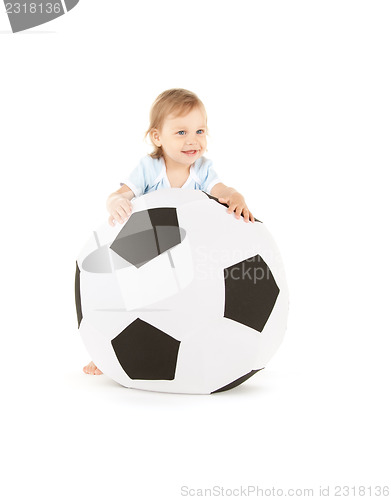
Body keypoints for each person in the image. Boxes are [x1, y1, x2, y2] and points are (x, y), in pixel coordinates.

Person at [83, 88, 255, 375]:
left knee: (183, 307)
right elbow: (120, 194)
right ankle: (107, 353)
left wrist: (235, 196)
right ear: (157, 137)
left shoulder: (201, 169)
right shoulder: (150, 168)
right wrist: (117, 202)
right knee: (127, 300)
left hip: (188, 256)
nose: (193, 140)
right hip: (147, 252)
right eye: (181, 132)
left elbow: (221, 190)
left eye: (200, 130)